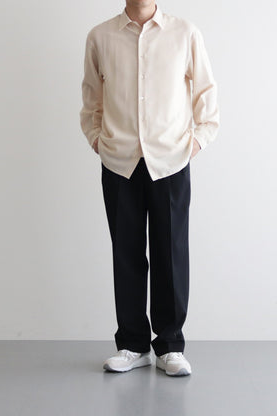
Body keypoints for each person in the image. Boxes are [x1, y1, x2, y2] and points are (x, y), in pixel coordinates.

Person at [79, 0, 219, 377]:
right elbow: (91, 99)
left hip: (170, 161)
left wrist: (195, 142)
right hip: (119, 161)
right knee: (126, 253)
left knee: (170, 252)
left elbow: (206, 93)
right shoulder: (100, 37)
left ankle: (170, 345)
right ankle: (132, 345)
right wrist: (97, 139)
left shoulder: (185, 33)